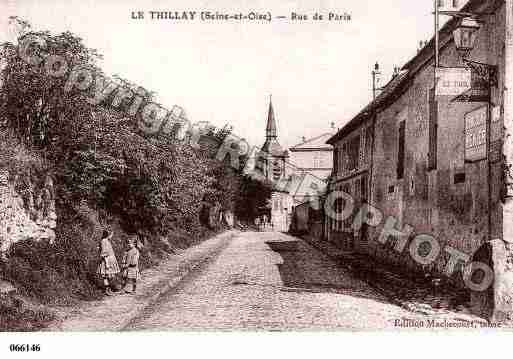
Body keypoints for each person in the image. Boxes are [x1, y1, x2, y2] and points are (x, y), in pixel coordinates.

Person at [97, 229, 120, 296]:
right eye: (111, 234)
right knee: (105, 276)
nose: (112, 236)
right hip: (107, 260)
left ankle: (109, 289)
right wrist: (106, 262)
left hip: (109, 259)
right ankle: (107, 290)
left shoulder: (106, 241)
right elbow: (104, 252)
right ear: (108, 235)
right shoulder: (104, 241)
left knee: (108, 275)